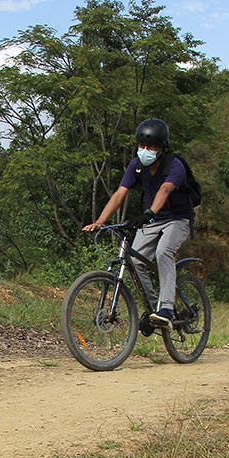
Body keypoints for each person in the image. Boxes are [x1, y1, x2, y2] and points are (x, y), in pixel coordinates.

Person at [83, 118, 196, 329]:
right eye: (142, 146)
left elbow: (164, 190)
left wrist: (149, 212)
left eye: (151, 147)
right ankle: (155, 310)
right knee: (135, 261)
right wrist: (100, 221)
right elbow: (120, 194)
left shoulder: (174, 165)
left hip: (177, 219)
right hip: (152, 220)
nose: (145, 150)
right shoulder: (136, 166)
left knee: (164, 252)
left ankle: (167, 310)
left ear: (161, 148)